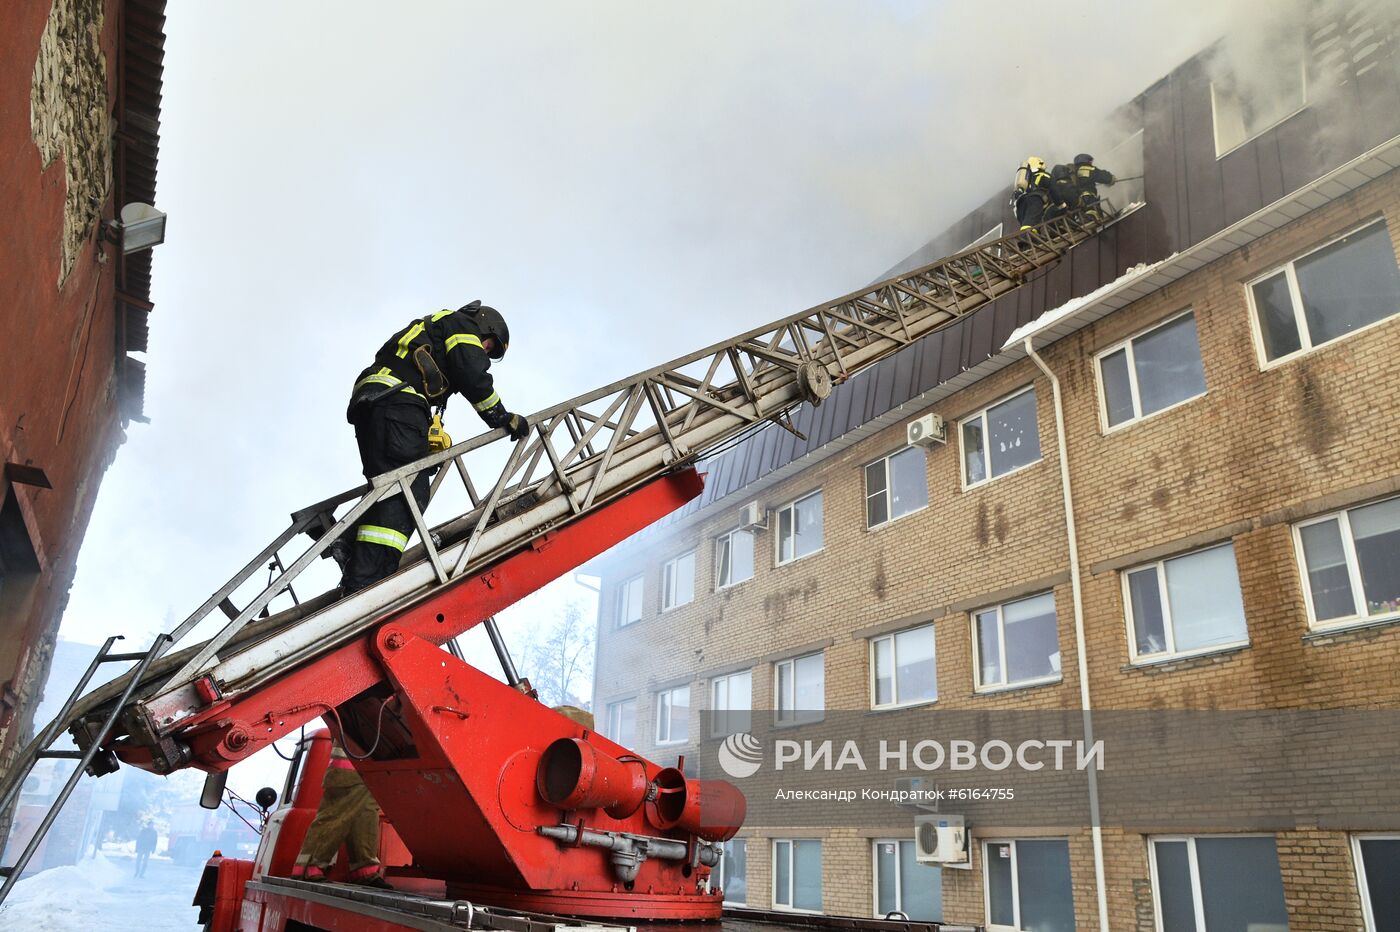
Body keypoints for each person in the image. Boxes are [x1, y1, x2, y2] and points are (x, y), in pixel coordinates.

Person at [338, 301, 529, 595]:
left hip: (376, 401)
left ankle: (348, 540)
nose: (486, 353)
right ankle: (367, 583)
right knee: (409, 492)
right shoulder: (463, 326)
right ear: (484, 325)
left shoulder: (436, 328)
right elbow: (472, 374)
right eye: (489, 346)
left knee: (389, 486)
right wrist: (500, 416)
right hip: (398, 401)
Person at [291, 741, 389, 887]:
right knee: (335, 817)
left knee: (365, 818)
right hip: (350, 771)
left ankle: (364, 872)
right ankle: (308, 869)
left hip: (367, 769)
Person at [1012, 156, 1056, 230]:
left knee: (1031, 224)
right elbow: (1055, 191)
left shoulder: (1026, 179)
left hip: (1021, 203)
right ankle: (1027, 238)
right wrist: (1061, 204)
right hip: (1035, 200)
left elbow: (1018, 194)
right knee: (1030, 225)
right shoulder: (1045, 175)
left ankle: (1028, 239)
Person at [1067, 153, 1116, 219]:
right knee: (1094, 215)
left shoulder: (1074, 172)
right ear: (1086, 161)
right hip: (1088, 199)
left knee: (1086, 218)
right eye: (1090, 161)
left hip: (1078, 202)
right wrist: (1111, 178)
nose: (1091, 164)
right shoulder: (1086, 169)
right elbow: (1102, 176)